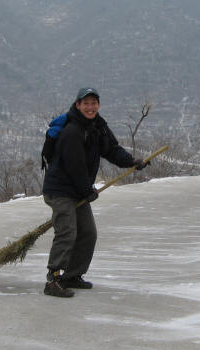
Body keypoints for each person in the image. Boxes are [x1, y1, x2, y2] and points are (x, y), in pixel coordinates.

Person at [41, 87, 148, 298]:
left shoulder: (98, 126)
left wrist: (131, 162)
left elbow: (111, 149)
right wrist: (86, 190)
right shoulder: (72, 131)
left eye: (94, 103)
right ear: (78, 105)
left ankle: (72, 275)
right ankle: (53, 279)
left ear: (98, 105)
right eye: (86, 103)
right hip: (60, 190)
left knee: (88, 233)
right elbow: (74, 166)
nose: (91, 107)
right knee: (67, 232)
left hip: (77, 190)